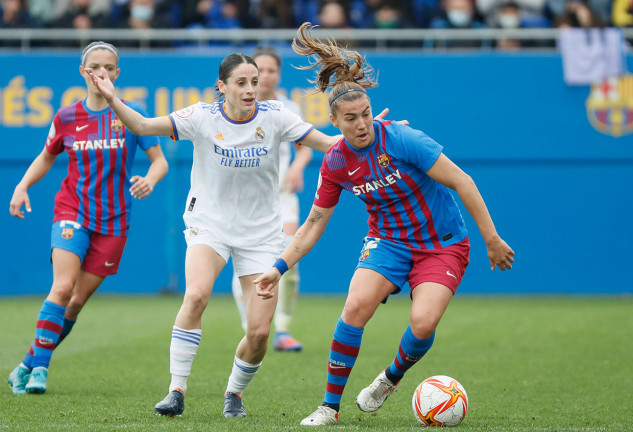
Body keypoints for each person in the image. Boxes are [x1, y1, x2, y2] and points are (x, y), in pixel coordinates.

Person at [85, 51, 384, 419]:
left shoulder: (275, 117)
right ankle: (176, 390)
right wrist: (113, 98)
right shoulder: (200, 117)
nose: (249, 90)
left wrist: (373, 132)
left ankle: (234, 393)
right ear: (221, 86)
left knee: (259, 333)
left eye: (254, 82)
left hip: (261, 235)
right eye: (241, 83)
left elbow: (328, 144)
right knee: (195, 295)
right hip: (209, 224)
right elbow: (144, 127)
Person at [254, 22, 515, 426]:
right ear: (335, 122)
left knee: (423, 322)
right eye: (351, 118)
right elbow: (312, 224)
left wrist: (492, 239)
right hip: (388, 242)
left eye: (366, 114)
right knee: (355, 307)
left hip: (442, 243)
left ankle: (390, 378)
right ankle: (329, 407)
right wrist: (278, 268)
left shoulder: (404, 139)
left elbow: (463, 181)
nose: (361, 124)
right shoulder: (336, 162)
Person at [7, 41, 167, 395]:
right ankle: (40, 372)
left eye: (109, 67)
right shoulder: (66, 117)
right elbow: (46, 156)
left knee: (76, 301)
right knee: (62, 288)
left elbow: (160, 161)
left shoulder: (130, 113)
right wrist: (21, 186)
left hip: (113, 222)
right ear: (84, 72)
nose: (102, 73)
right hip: (72, 211)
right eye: (95, 67)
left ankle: (28, 361)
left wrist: (150, 180)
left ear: (117, 73)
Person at [229, 46, 312, 352]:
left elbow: (305, 145)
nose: (265, 76)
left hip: (281, 195)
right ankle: (249, 327)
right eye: (259, 70)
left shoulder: (287, 107)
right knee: (244, 264)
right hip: (244, 197)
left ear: (279, 74)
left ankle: (283, 330)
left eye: (271, 70)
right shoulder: (233, 107)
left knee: (289, 256)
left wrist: (296, 168)